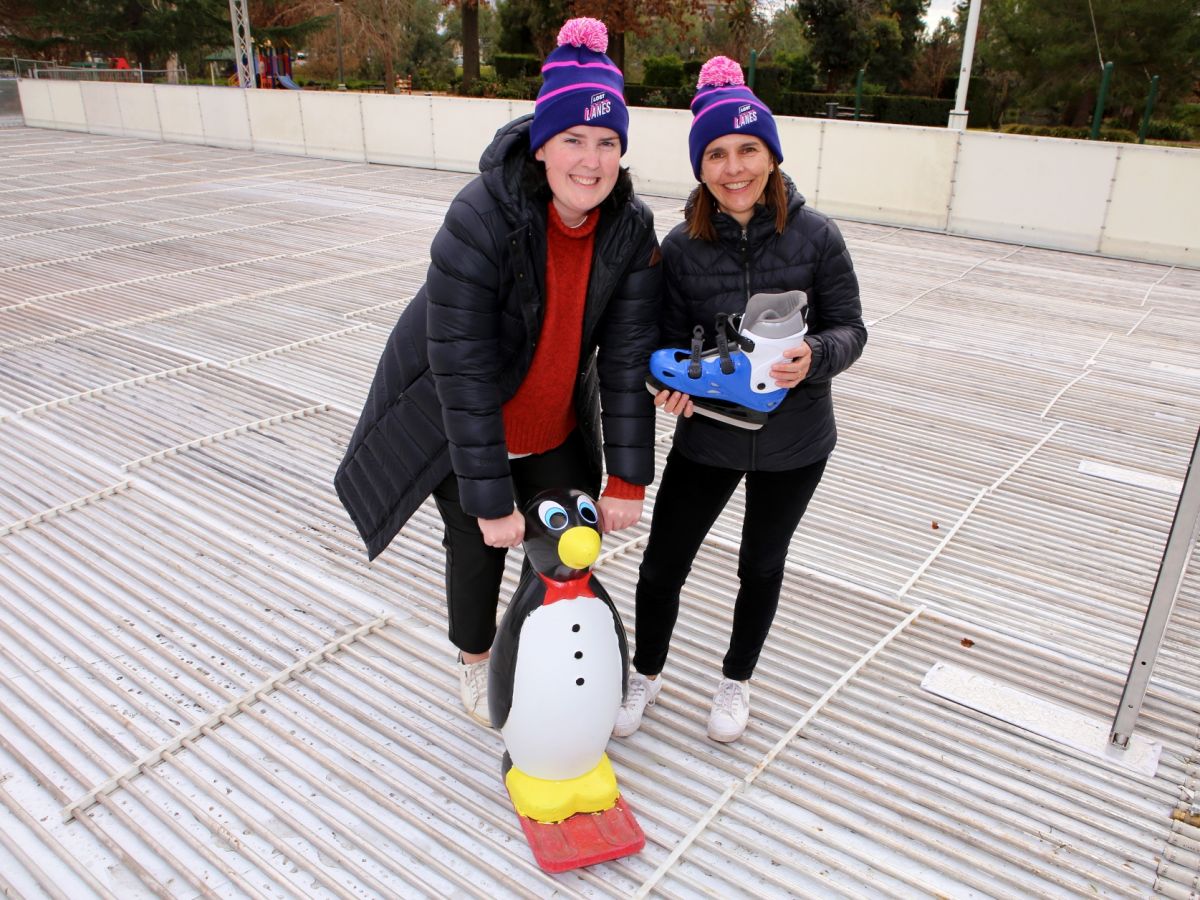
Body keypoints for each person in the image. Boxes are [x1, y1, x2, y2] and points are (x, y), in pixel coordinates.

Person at [334, 18, 661, 726]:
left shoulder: (631, 229)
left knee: (570, 545)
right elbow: (460, 365)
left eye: (608, 142)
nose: (591, 160)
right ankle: (477, 661)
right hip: (465, 414)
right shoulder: (480, 217)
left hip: (554, 418)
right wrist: (489, 496)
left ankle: (554, 654)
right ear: (542, 145)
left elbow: (629, 355)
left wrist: (628, 478)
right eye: (573, 139)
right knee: (477, 545)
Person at [613, 56, 867, 743]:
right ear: (700, 167)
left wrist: (816, 356)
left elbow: (852, 327)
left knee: (761, 563)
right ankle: (647, 670)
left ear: (772, 156)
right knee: (664, 560)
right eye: (717, 154)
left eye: (748, 150)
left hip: (797, 441)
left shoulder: (818, 237)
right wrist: (664, 386)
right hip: (710, 437)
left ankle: (735, 681)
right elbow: (660, 345)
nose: (734, 168)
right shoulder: (680, 246)